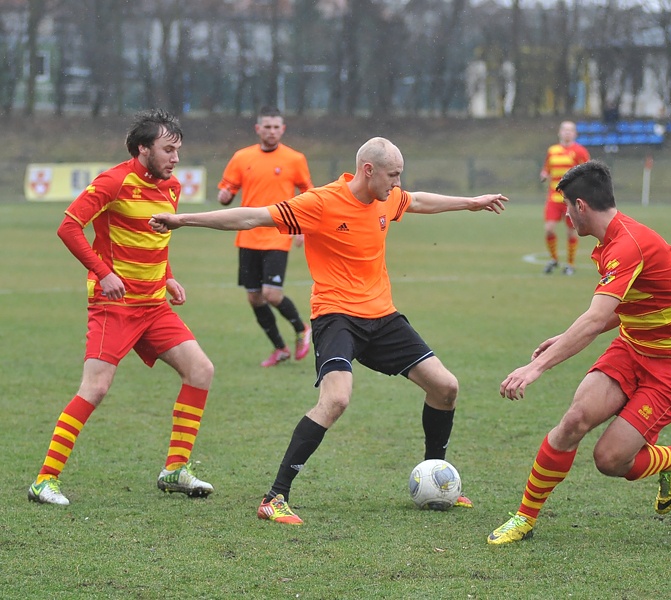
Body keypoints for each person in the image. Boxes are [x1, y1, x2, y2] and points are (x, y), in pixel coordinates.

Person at [150, 137, 508, 525]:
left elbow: (418, 200)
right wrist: (182, 219)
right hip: (336, 317)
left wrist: (470, 202)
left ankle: (433, 478)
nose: (397, 183)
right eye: (393, 174)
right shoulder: (321, 202)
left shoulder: (388, 197)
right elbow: (252, 216)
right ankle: (275, 497)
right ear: (368, 170)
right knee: (336, 400)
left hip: (383, 317)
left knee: (446, 387)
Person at [487, 160, 671, 545]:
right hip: (632, 346)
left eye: (567, 209)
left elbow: (593, 321)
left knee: (611, 460)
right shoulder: (612, 240)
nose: (566, 217)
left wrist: (536, 367)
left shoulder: (627, 246)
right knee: (574, 420)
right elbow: (620, 310)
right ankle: (524, 517)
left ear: (581, 206)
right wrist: (563, 337)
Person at [28, 109, 216, 506]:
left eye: (178, 150)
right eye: (168, 150)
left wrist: (167, 276)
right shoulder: (114, 181)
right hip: (114, 306)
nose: (175, 158)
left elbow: (156, 241)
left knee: (200, 371)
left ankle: (175, 470)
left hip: (154, 307)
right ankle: (45, 480)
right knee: (95, 388)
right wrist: (102, 272)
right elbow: (68, 226)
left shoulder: (172, 187)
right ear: (143, 149)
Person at [218, 106, 315, 367]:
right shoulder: (241, 157)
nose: (271, 131)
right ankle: (280, 348)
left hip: (277, 233)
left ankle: (302, 328)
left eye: (276, 127)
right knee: (254, 297)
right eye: (267, 127)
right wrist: (225, 196)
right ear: (258, 129)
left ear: (282, 130)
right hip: (248, 236)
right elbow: (227, 188)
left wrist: (302, 228)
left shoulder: (295, 159)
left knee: (272, 294)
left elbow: (308, 194)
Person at [540, 121, 591, 275]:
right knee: (549, 229)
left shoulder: (580, 151)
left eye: (570, 130)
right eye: (564, 130)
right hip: (553, 198)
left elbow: (588, 171)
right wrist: (544, 174)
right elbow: (546, 169)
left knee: (571, 232)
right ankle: (554, 259)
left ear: (575, 134)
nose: (567, 133)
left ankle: (570, 264)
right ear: (559, 132)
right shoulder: (552, 150)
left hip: (571, 199)